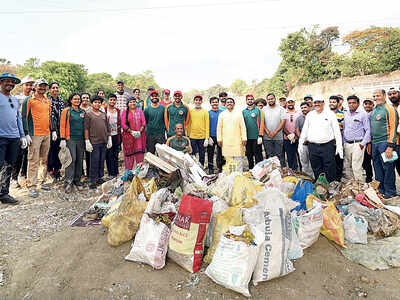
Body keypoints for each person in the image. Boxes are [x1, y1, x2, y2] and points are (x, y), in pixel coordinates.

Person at [299, 97, 342, 183]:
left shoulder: (330, 114)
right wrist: (300, 143)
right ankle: (320, 187)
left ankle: (330, 187)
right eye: (315, 102)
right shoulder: (310, 115)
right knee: (316, 168)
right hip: (313, 146)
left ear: (323, 103)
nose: (317, 104)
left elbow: (337, 131)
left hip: (327, 146)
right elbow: (304, 131)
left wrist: (339, 147)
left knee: (329, 167)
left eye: (319, 102)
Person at [22, 78, 53, 198]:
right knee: (33, 160)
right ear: (35, 87)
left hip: (46, 133)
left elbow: (49, 116)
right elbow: (24, 117)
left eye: (44, 86)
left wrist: (52, 130)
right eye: (40, 86)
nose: (42, 88)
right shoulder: (29, 100)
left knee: (44, 160)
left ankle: (41, 181)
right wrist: (26, 133)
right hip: (34, 134)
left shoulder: (47, 100)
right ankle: (32, 186)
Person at [0, 73, 27, 205]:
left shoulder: (15, 100)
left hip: (14, 138)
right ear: (1, 82)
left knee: (9, 166)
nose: (10, 84)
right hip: (1, 137)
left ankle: (4, 193)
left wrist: (22, 136)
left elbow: (18, 119)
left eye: (12, 82)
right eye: (7, 81)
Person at [370, 89, 397, 198]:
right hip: (375, 143)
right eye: (374, 96)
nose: (376, 98)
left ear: (384, 96)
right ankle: (380, 190)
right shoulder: (374, 109)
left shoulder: (389, 109)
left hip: (385, 143)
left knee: (388, 168)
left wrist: (390, 146)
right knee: (377, 168)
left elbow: (393, 127)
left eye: (378, 95)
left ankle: (390, 192)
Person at [84, 95, 112, 189]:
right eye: (95, 102)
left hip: (103, 141)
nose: (97, 104)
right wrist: (87, 140)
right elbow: (86, 129)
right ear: (92, 103)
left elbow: (108, 127)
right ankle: (93, 180)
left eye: (99, 102)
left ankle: (100, 177)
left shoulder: (103, 114)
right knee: (94, 161)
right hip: (94, 141)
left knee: (101, 160)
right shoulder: (88, 114)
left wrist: (109, 138)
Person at [60, 93, 85, 193]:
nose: (77, 101)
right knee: (71, 159)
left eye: (78, 99)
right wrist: (62, 138)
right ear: (71, 100)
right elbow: (62, 125)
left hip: (81, 139)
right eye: (75, 99)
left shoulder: (82, 111)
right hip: (70, 138)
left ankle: (77, 180)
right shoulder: (66, 111)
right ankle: (68, 182)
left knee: (79, 159)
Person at [11, 76, 34, 188]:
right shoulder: (17, 98)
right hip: (18, 130)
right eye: (27, 84)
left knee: (28, 155)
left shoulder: (34, 98)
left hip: (32, 130)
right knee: (19, 154)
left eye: (31, 85)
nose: (29, 87)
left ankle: (24, 176)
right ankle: (14, 178)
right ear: (22, 86)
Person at [342, 95, 371, 180]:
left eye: (354, 103)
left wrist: (363, 143)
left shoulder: (363, 114)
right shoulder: (346, 114)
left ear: (358, 104)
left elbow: (368, 130)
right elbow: (344, 129)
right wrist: (344, 142)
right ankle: (351, 187)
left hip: (358, 144)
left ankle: (360, 188)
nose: (351, 104)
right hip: (347, 144)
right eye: (349, 103)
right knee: (348, 166)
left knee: (356, 167)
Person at [121, 97, 146, 171]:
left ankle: (139, 174)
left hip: (139, 137)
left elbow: (144, 122)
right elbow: (123, 124)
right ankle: (128, 173)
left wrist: (139, 131)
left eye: (134, 102)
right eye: (130, 102)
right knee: (129, 157)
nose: (132, 103)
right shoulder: (125, 112)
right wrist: (131, 131)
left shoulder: (140, 111)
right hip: (129, 137)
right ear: (128, 104)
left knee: (139, 155)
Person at [262, 93, 287, 166]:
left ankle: (281, 172)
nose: (270, 100)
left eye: (272, 99)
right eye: (269, 99)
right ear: (267, 100)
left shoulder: (281, 109)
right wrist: (267, 131)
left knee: (279, 156)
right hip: (267, 137)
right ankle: (272, 173)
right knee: (269, 156)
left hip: (278, 137)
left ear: (275, 99)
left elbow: (283, 121)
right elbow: (261, 122)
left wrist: (275, 132)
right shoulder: (264, 109)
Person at [47, 82, 65, 182]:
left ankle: (57, 170)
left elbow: (63, 116)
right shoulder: (47, 100)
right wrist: (53, 129)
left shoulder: (61, 101)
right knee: (51, 151)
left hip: (61, 130)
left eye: (57, 88)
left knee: (58, 150)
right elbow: (49, 116)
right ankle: (50, 170)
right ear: (49, 90)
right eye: (53, 88)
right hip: (50, 130)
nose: (55, 89)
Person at [187, 95, 209, 167]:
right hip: (192, 136)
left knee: (202, 154)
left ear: (201, 102)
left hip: (202, 137)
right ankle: (193, 168)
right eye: (196, 100)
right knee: (192, 154)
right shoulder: (191, 111)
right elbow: (189, 124)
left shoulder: (205, 112)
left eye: (199, 100)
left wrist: (206, 138)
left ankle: (201, 168)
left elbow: (207, 125)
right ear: (194, 101)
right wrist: (188, 135)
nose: (198, 101)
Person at [242, 94, 263, 170]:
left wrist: (260, 135)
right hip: (247, 137)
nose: (250, 100)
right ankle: (251, 169)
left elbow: (261, 123)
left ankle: (259, 170)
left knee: (258, 155)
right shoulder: (244, 111)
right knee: (249, 155)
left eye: (251, 99)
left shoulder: (258, 110)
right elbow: (242, 125)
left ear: (253, 100)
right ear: (246, 101)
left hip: (256, 137)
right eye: (248, 99)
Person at [104, 94, 121, 179]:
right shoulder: (104, 110)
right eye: (111, 100)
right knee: (109, 154)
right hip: (107, 135)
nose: (112, 101)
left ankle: (116, 171)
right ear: (108, 100)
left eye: (114, 100)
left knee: (115, 153)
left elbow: (119, 122)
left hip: (116, 135)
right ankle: (111, 173)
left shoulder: (118, 110)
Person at [329, 95, 344, 181]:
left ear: (338, 103)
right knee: (330, 163)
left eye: (334, 102)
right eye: (330, 102)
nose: (332, 104)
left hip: (338, 143)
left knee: (338, 162)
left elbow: (343, 129)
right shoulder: (325, 114)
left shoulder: (342, 115)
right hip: (327, 143)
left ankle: (338, 181)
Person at [295, 101, 313, 177]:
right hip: (302, 143)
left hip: (312, 143)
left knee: (312, 162)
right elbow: (297, 129)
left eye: (305, 107)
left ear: (309, 107)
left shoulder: (313, 117)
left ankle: (314, 178)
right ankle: (306, 178)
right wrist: (302, 139)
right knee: (304, 162)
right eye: (302, 108)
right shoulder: (299, 118)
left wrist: (309, 139)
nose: (303, 109)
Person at [207, 97, 223, 173]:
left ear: (218, 103)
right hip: (211, 137)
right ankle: (210, 168)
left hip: (220, 136)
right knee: (210, 153)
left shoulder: (222, 112)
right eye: (213, 102)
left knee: (220, 153)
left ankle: (220, 168)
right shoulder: (208, 113)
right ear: (210, 104)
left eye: (216, 102)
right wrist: (208, 137)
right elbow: (206, 125)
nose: (215, 103)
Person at [283, 99, 300, 170]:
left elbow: (301, 124)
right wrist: (289, 135)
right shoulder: (283, 112)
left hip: (298, 138)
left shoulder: (299, 112)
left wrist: (295, 135)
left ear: (294, 103)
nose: (290, 104)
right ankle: (294, 172)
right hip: (287, 138)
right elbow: (282, 125)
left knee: (300, 157)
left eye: (291, 102)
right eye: (288, 102)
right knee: (290, 157)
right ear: (286, 103)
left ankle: (303, 173)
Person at [388, 87, 400, 177]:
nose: (392, 96)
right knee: (398, 165)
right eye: (390, 94)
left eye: (394, 93)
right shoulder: (389, 108)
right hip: (394, 142)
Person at [362, 98, 374, 183]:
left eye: (369, 104)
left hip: (373, 141)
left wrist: (369, 142)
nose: (367, 105)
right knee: (365, 162)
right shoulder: (362, 114)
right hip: (365, 141)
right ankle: (369, 179)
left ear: (373, 105)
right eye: (365, 104)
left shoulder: (373, 114)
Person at [80, 92, 91, 179]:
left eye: (87, 98)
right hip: (79, 135)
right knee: (80, 155)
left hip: (90, 135)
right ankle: (80, 174)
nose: (85, 99)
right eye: (83, 97)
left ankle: (89, 173)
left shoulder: (91, 109)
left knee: (89, 155)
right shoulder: (78, 108)